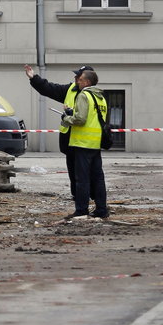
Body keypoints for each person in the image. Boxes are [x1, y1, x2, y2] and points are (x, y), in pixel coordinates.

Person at [24, 62, 96, 203]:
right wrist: (33, 78)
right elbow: (49, 88)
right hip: (69, 138)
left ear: (87, 80)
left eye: (79, 77)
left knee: (87, 171)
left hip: (85, 140)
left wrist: (70, 114)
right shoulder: (70, 89)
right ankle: (77, 195)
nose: (76, 79)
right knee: (73, 168)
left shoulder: (92, 95)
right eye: (76, 77)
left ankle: (89, 197)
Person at [62, 69, 109, 220]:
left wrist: (66, 118)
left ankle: (81, 210)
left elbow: (81, 119)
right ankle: (101, 209)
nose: (78, 81)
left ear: (87, 82)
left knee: (82, 179)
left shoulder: (83, 95)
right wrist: (72, 112)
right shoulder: (100, 97)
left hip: (82, 143)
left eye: (80, 79)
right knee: (98, 178)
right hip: (95, 143)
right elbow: (92, 117)